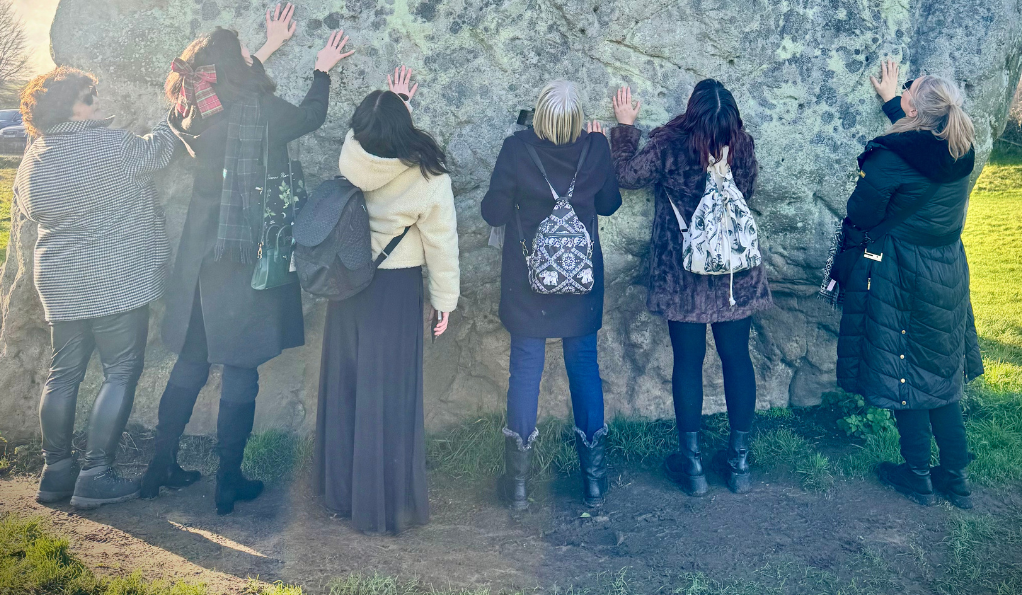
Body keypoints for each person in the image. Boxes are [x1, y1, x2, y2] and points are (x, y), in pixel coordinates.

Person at [140, 5, 353, 514]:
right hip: (243, 252)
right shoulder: (260, 114)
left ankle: (158, 467)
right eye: (242, 51)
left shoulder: (193, 109)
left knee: (192, 360)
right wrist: (322, 69)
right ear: (233, 66)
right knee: (239, 367)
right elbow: (308, 117)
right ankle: (228, 481)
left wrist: (266, 47)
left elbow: (233, 89)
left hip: (201, 252)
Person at [14, 67, 175, 508]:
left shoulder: (33, 157)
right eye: (88, 96)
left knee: (63, 373)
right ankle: (96, 475)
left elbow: (27, 209)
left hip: (59, 280)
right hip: (115, 279)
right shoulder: (113, 145)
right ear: (69, 107)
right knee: (120, 371)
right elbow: (160, 151)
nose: (97, 101)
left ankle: (55, 472)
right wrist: (176, 108)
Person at [314, 66, 459, 534]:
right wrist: (444, 300)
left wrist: (392, 107)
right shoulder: (427, 176)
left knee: (346, 387)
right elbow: (441, 244)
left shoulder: (351, 156)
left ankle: (341, 494)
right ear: (403, 130)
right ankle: (387, 500)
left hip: (347, 285)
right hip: (394, 291)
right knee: (389, 393)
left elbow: (367, 136)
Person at [608, 80, 771, 495]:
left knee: (687, 362)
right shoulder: (741, 145)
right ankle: (739, 464)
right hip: (734, 274)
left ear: (692, 110)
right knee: (738, 359)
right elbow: (748, 191)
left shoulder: (668, 146)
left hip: (683, 276)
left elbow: (626, 176)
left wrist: (625, 128)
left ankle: (693, 466)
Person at [837, 59, 982, 509]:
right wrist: (892, 104)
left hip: (900, 271)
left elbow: (862, 212)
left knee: (905, 369)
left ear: (915, 111)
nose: (902, 87)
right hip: (947, 269)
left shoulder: (889, 159)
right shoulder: (960, 147)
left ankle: (917, 475)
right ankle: (956, 478)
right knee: (939, 372)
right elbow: (922, 154)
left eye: (908, 88)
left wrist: (893, 118)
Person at [481, 81, 622, 510]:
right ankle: (593, 483)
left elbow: (493, 212)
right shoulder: (596, 148)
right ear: (579, 119)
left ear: (539, 115)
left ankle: (518, 486)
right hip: (580, 281)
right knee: (584, 368)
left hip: (529, 282)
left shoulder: (516, 149)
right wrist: (599, 151)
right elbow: (609, 204)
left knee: (525, 372)